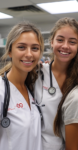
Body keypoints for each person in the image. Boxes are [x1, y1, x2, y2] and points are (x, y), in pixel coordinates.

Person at [34, 17, 78, 150]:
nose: (65, 46)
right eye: (60, 40)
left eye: (72, 42)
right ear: (51, 42)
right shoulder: (36, 74)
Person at [0, 22, 44, 150]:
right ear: (9, 51)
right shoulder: (1, 91)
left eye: (35, 48)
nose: (29, 54)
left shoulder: (31, 87)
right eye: (21, 47)